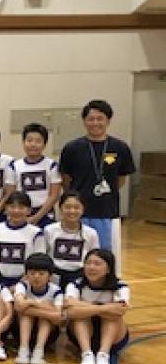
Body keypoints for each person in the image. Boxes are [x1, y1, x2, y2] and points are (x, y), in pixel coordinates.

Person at [59, 99, 136, 265]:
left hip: (107, 211)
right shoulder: (72, 148)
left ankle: (106, 286)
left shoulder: (120, 147)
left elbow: (121, 178)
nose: (95, 123)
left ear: (108, 120)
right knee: (77, 256)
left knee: (106, 255)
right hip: (78, 213)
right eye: (91, 119)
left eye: (100, 118)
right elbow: (66, 180)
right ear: (84, 121)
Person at [64, 248, 130, 364]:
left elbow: (119, 311)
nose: (91, 267)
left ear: (109, 268)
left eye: (97, 264)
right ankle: (86, 354)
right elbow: (70, 312)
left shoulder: (120, 286)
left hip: (114, 337)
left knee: (112, 317)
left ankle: (103, 355)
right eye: (88, 263)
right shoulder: (75, 284)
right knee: (80, 316)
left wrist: (82, 305)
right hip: (82, 336)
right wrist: (104, 307)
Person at [12, 253, 65, 364]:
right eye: (32, 273)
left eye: (41, 273)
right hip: (21, 332)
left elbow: (58, 318)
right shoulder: (22, 285)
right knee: (27, 313)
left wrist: (33, 304)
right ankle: (23, 350)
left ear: (50, 276)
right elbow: (18, 305)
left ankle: (38, 352)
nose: (36, 277)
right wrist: (45, 310)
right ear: (26, 275)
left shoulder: (56, 290)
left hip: (47, 336)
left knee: (43, 312)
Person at [7, 123, 61, 227]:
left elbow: (54, 195)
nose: (33, 144)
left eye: (38, 141)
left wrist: (37, 217)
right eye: (29, 140)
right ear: (23, 143)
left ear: (44, 144)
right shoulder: (14, 166)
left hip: (45, 215)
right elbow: (11, 195)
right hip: (21, 215)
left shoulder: (51, 165)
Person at [44, 190, 100, 286]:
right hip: (54, 277)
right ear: (60, 208)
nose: (72, 211)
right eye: (68, 207)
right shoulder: (49, 230)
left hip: (80, 277)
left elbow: (94, 259)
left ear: (83, 209)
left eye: (76, 207)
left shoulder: (91, 233)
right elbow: (43, 256)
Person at [0, 191, 46, 285]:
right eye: (12, 207)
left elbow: (38, 264)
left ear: (29, 210)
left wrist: (20, 285)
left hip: (26, 283)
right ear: (5, 209)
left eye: (21, 207)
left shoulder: (36, 233)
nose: (16, 211)